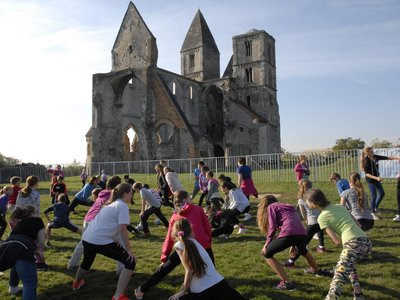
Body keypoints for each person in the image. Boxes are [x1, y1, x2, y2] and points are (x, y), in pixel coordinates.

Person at [134, 190, 213, 300]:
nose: (191, 199)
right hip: (196, 247)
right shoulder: (197, 210)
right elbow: (208, 228)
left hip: (187, 247)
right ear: (185, 199)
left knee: (164, 270)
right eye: (189, 197)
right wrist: (208, 240)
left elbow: (169, 239)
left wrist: (164, 257)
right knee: (210, 270)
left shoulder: (174, 216)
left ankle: (141, 290)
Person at [72, 183, 136, 300]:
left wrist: (115, 240)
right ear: (126, 194)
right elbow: (122, 229)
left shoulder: (111, 205)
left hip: (87, 238)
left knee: (86, 262)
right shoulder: (122, 206)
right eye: (131, 193)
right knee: (130, 262)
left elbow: (109, 226)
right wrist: (129, 250)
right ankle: (118, 296)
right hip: (99, 240)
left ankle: (76, 283)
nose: (132, 196)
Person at [305, 189, 372, 300]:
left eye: (306, 200)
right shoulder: (339, 206)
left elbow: (336, 241)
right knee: (350, 266)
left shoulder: (322, 217)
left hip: (352, 244)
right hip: (365, 241)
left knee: (338, 277)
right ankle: (358, 294)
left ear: (313, 203)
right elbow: (358, 224)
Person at [257, 195, 329, 292]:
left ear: (264, 205)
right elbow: (292, 223)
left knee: (266, 254)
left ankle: (287, 283)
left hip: (289, 234)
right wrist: (293, 244)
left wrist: (267, 243)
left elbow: (272, 227)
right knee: (303, 251)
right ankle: (317, 270)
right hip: (302, 234)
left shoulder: (271, 207)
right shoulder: (288, 206)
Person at [168, 218, 247, 300]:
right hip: (220, 284)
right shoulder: (194, 242)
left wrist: (182, 291)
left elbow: (189, 270)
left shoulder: (179, 245)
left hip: (203, 291)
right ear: (191, 230)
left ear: (174, 233)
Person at [68, 176, 121, 269]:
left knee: (83, 243)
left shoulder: (102, 193)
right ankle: (122, 269)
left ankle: (72, 264)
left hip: (87, 219)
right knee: (119, 242)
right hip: (95, 221)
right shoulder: (113, 196)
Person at [284, 180, 326, 269]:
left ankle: (291, 261)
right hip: (322, 219)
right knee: (320, 231)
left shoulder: (301, 199)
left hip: (312, 222)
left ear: (300, 187)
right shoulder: (315, 195)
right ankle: (321, 247)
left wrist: (306, 220)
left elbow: (303, 214)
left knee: (302, 243)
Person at [7, 206, 45, 299]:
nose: (38, 213)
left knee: (16, 263)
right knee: (29, 282)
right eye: (36, 212)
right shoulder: (38, 221)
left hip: (7, 247)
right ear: (31, 214)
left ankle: (13, 288)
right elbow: (41, 241)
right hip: (24, 249)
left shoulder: (20, 223)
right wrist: (36, 250)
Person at [15, 176, 48, 270]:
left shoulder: (20, 192)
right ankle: (39, 262)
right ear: (36, 183)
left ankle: (25, 259)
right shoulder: (36, 194)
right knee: (38, 240)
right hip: (32, 220)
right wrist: (38, 223)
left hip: (21, 219)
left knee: (24, 240)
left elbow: (17, 206)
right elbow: (37, 209)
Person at [360, 146, 400, 220]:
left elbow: (387, 157)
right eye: (371, 151)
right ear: (367, 153)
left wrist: (397, 157)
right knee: (374, 195)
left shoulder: (375, 157)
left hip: (377, 179)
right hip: (371, 180)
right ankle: (372, 213)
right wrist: (377, 178)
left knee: (382, 193)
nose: (373, 152)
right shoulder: (366, 161)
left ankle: (375, 208)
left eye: (372, 150)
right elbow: (367, 174)